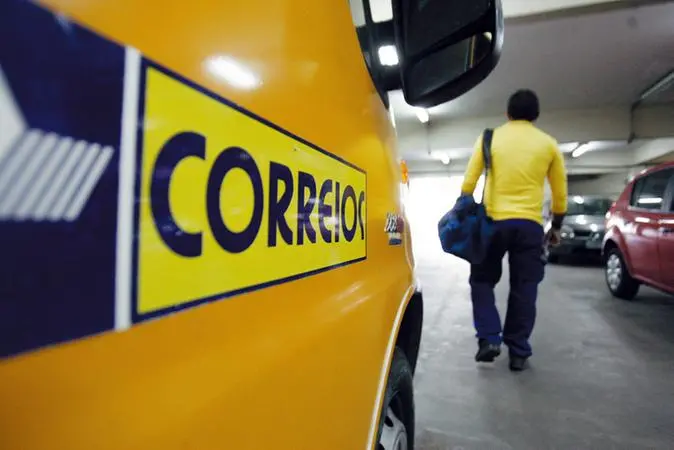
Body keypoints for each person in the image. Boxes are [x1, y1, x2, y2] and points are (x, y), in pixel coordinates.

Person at [460, 89, 568, 371]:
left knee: (481, 280)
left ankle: (489, 338)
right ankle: (518, 351)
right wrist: (556, 226)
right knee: (525, 287)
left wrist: (464, 210)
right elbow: (560, 194)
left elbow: (469, 182)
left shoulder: (490, 138)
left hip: (493, 223)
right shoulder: (548, 144)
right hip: (530, 226)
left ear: (507, 114)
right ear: (536, 115)